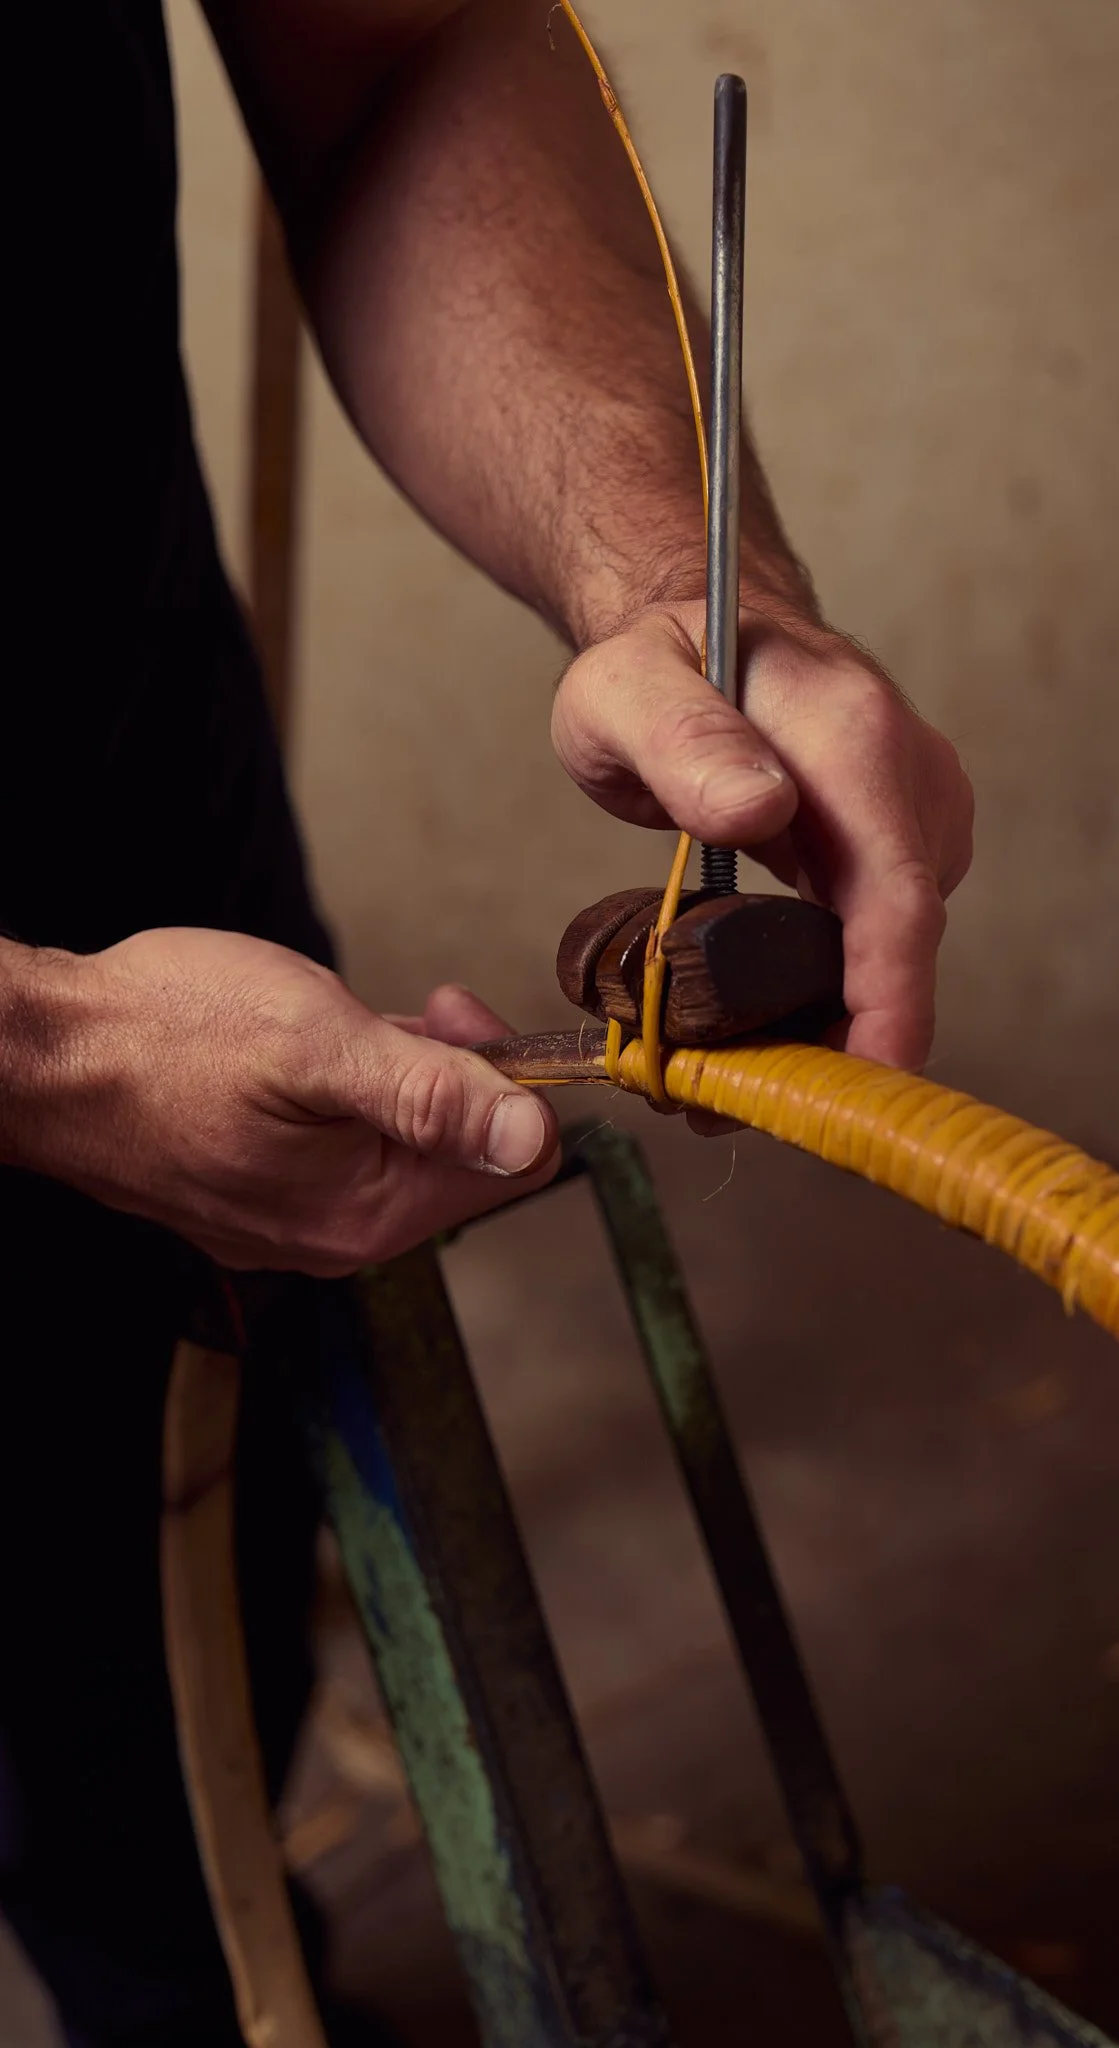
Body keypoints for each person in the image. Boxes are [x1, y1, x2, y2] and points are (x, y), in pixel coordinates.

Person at [1, 1, 974, 2041]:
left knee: (158, 1730)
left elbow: (402, 49)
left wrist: (675, 581)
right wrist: (49, 1056)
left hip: (104, 764)